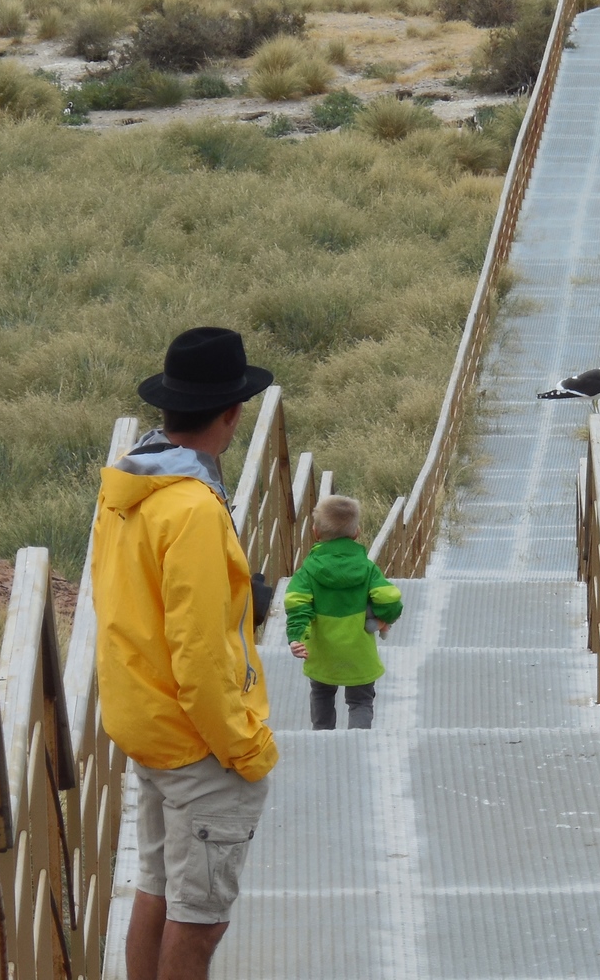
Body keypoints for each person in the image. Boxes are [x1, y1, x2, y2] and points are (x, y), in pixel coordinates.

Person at [91, 326, 276, 980]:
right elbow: (200, 654)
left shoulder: (129, 485)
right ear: (233, 414)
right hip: (198, 739)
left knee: (159, 890)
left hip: (147, 720)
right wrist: (244, 747)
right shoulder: (193, 507)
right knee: (200, 920)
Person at [285, 495, 403, 730]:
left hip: (323, 654)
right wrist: (384, 617)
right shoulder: (367, 568)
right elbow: (389, 598)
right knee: (360, 701)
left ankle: (322, 736)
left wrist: (296, 636)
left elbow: (297, 604)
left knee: (321, 694)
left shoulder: (308, 571)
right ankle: (357, 741)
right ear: (356, 533)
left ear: (315, 532)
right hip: (359, 654)